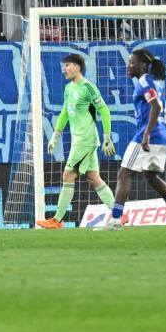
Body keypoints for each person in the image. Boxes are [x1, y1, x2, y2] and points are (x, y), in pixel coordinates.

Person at [101, 49, 166, 229]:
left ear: (142, 65)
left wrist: (147, 133)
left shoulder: (144, 82)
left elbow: (156, 107)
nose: (128, 66)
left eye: (132, 62)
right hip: (161, 134)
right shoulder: (156, 83)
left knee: (124, 173)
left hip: (147, 134)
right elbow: (163, 109)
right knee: (151, 177)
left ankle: (116, 220)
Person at [37, 53, 115, 229]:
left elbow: (104, 110)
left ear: (77, 67)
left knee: (68, 175)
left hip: (85, 139)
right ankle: (119, 214)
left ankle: (57, 220)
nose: (64, 69)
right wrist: (55, 135)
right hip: (78, 139)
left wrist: (107, 137)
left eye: (68, 65)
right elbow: (65, 112)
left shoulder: (88, 87)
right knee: (93, 177)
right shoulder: (68, 88)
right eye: (63, 66)